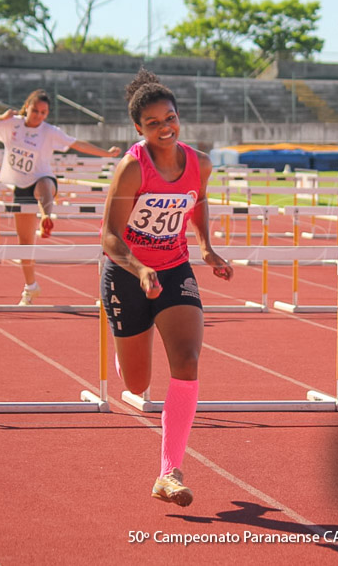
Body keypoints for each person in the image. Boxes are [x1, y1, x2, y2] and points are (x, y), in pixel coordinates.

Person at [101, 68, 233, 506]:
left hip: (174, 269)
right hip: (127, 274)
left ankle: (169, 472)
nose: (165, 127)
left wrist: (207, 247)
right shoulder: (132, 168)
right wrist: (138, 268)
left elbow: (198, 199)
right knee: (138, 384)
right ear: (138, 128)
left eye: (170, 118)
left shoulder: (200, 163)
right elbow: (109, 236)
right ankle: (127, 352)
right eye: (153, 123)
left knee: (187, 358)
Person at [0, 90, 121, 305]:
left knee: (43, 185)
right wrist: (1, 117)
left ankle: (46, 216)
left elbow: (77, 144)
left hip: (44, 180)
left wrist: (106, 154)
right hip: (20, 187)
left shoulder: (50, 131)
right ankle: (30, 287)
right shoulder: (12, 124)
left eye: (44, 112)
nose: (38, 116)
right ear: (27, 107)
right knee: (25, 243)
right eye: (35, 111)